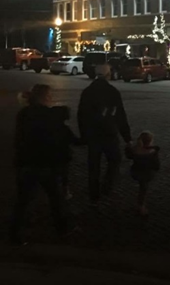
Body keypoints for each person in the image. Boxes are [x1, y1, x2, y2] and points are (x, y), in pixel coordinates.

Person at [10, 85, 77, 245]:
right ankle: (62, 229)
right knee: (55, 198)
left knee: (23, 201)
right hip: (45, 163)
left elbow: (19, 139)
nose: (51, 98)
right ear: (44, 97)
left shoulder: (24, 114)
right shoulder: (48, 115)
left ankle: (16, 233)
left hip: (26, 162)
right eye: (49, 95)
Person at [78, 64, 132, 205]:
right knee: (114, 160)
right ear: (108, 74)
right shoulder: (112, 91)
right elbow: (120, 115)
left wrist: (84, 134)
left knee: (94, 164)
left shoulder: (88, 91)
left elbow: (81, 115)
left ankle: (93, 192)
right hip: (109, 132)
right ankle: (107, 186)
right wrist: (127, 137)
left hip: (93, 133)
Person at [125, 131, 160, 216]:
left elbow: (128, 155)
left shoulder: (135, 151)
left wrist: (128, 146)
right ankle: (141, 206)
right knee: (143, 188)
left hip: (136, 172)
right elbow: (156, 165)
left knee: (142, 186)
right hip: (147, 173)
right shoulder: (152, 153)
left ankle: (140, 205)